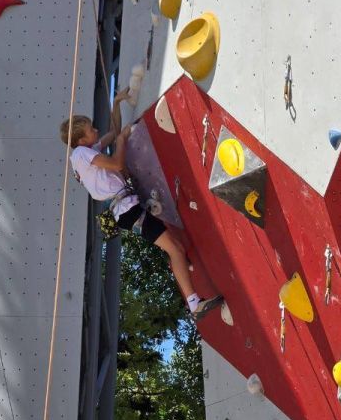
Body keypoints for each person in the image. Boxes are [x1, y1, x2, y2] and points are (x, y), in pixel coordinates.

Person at [59, 87, 222, 318]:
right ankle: (194, 303)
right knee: (175, 249)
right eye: (91, 129)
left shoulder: (85, 153)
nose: (96, 130)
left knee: (176, 248)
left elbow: (113, 130)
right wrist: (123, 140)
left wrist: (116, 103)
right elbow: (116, 163)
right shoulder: (80, 155)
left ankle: (183, 275)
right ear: (81, 139)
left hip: (128, 209)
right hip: (128, 210)